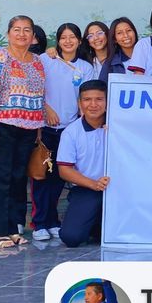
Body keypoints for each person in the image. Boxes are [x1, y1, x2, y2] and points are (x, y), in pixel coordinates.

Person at [0, 15, 45, 249]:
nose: (22, 34)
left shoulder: (37, 61)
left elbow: (40, 94)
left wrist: (38, 127)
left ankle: (14, 227)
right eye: (17, 29)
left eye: (27, 30)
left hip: (29, 127)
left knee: (18, 178)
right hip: (2, 126)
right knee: (0, 178)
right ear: (8, 34)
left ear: (33, 36)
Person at [33, 23, 97, 241]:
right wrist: (46, 109)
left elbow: (86, 98)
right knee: (42, 176)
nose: (68, 41)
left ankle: (52, 221)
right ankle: (40, 223)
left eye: (72, 37)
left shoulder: (85, 67)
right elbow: (35, 88)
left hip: (69, 130)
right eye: (63, 37)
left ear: (79, 41)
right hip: (45, 128)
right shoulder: (46, 59)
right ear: (57, 41)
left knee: (59, 178)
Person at [57, 80, 109, 247]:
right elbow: (65, 170)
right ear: (80, 103)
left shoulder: (119, 127)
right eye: (87, 99)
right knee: (71, 237)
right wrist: (94, 184)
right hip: (88, 188)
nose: (93, 104)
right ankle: (94, 224)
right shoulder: (71, 132)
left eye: (99, 99)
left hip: (119, 190)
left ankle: (98, 224)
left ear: (107, 102)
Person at [99, 16, 139, 81]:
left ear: (135, 32)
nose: (126, 35)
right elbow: (102, 86)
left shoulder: (148, 55)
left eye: (129, 30)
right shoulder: (110, 63)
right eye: (119, 33)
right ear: (115, 39)